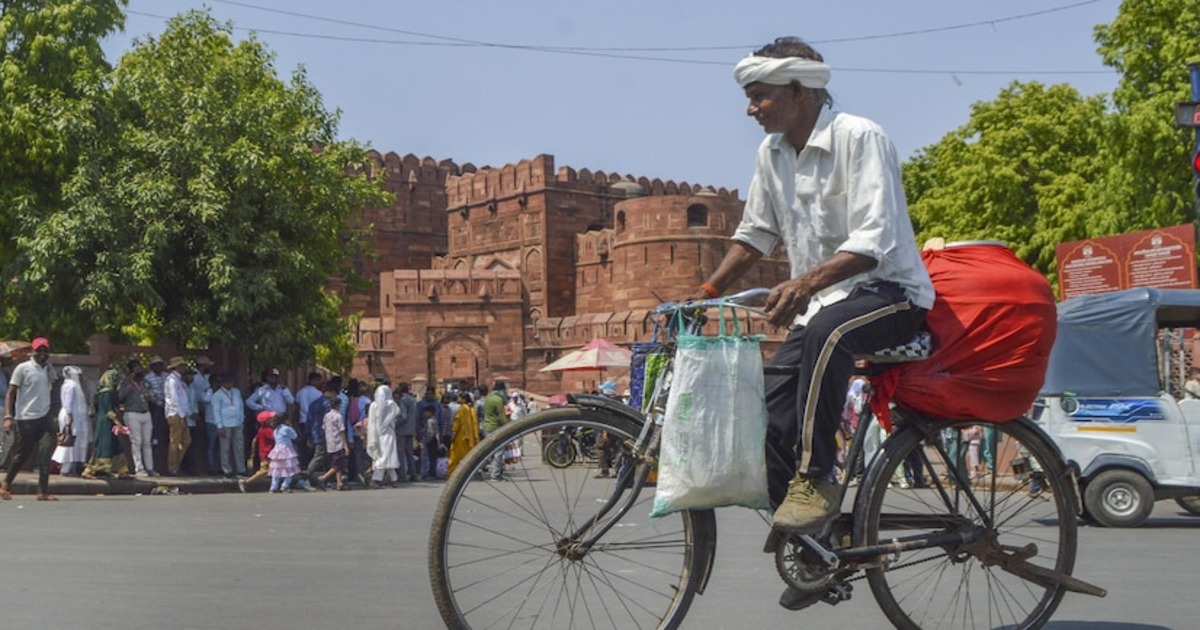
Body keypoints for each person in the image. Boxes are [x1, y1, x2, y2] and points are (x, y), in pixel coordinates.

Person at [703, 37, 935, 609]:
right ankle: (817, 552)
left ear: (798, 91)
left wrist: (806, 282)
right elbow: (756, 233)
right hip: (824, 306)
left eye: (759, 96)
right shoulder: (773, 155)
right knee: (770, 416)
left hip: (891, 296)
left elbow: (874, 240)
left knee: (831, 330)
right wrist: (705, 291)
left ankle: (816, 479)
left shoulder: (860, 136)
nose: (750, 108)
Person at [2, 337, 59, 500]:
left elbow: (52, 390)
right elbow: (10, 394)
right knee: (22, 454)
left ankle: (42, 492)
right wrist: (8, 416)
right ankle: (6, 484)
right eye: (39, 350)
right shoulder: (23, 368)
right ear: (32, 352)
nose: (42, 354)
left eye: (45, 351)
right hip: (26, 418)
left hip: (45, 418)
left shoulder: (49, 369)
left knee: (45, 454)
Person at [52, 366, 91, 477]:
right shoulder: (71, 385)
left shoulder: (73, 385)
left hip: (74, 416)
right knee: (69, 441)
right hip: (70, 416)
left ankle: (71, 466)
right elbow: (67, 402)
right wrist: (69, 417)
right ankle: (65, 468)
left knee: (74, 441)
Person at [119, 361, 156, 477]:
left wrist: (150, 396)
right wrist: (130, 384)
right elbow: (120, 397)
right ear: (131, 371)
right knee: (136, 442)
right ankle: (139, 468)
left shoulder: (145, 382)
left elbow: (153, 396)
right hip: (132, 413)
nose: (139, 370)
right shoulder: (125, 382)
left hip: (146, 412)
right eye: (136, 368)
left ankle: (150, 468)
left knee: (147, 442)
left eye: (140, 368)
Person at [210, 372, 247, 478]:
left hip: (237, 422)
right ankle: (227, 469)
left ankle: (241, 469)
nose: (230, 384)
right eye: (228, 382)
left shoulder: (236, 392)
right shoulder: (217, 395)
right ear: (223, 383)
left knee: (239, 446)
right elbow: (216, 411)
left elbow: (240, 406)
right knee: (225, 448)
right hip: (225, 424)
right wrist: (219, 426)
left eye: (231, 382)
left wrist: (241, 419)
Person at [366, 384, 400, 488]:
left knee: (384, 455)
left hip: (376, 433)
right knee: (385, 456)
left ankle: (393, 480)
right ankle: (376, 479)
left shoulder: (373, 405)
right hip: (388, 432)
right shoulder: (391, 404)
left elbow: (372, 422)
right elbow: (397, 412)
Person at [163, 356, 193, 475]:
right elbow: (174, 400)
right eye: (182, 366)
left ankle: (176, 464)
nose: (184, 368)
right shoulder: (172, 380)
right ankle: (172, 468)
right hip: (175, 414)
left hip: (181, 414)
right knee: (175, 442)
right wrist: (181, 416)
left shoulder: (179, 380)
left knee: (186, 441)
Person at [142, 355, 169, 475]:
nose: (159, 367)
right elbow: (149, 393)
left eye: (160, 364)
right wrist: (159, 403)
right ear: (152, 367)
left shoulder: (166, 377)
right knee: (155, 422)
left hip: (167, 404)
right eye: (156, 365)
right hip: (155, 405)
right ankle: (154, 439)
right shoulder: (148, 378)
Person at [240, 411, 276, 492]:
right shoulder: (268, 430)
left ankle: (275, 486)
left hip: (265, 453)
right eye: (271, 419)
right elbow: (275, 438)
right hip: (267, 453)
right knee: (264, 471)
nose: (273, 420)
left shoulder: (261, 430)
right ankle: (246, 482)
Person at [265, 411, 301, 493]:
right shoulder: (286, 428)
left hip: (277, 450)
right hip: (286, 450)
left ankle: (273, 487)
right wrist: (291, 426)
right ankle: (285, 485)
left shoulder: (276, 430)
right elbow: (295, 436)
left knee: (276, 469)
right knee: (290, 468)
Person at [482, 382, 510, 481]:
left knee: (488, 451)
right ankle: (496, 475)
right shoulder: (498, 400)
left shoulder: (488, 398)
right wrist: (508, 426)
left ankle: (479, 470)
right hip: (495, 427)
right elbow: (501, 416)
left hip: (486, 426)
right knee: (498, 452)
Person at [319, 405, 351, 490]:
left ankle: (339, 483)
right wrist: (345, 445)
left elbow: (324, 428)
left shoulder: (326, 416)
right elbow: (342, 430)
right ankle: (323, 478)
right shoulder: (338, 416)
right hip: (338, 442)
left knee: (336, 462)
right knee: (339, 464)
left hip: (329, 442)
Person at [447, 392, 479, 477]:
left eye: (459, 398)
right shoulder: (472, 409)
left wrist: (453, 433)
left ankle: (452, 474)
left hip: (461, 436)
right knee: (468, 457)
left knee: (455, 455)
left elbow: (457, 421)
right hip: (471, 438)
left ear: (463, 399)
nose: (458, 400)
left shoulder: (462, 409)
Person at [394, 383, 418, 482]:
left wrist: (395, 423)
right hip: (411, 428)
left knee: (401, 453)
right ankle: (413, 474)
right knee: (409, 453)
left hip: (403, 429)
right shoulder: (413, 400)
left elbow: (403, 416)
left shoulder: (403, 400)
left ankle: (402, 475)